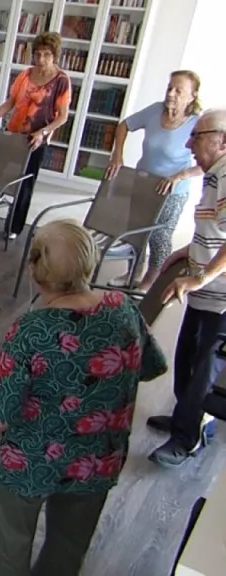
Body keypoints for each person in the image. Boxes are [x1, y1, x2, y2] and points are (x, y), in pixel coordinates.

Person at [0, 219, 166, 576]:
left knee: (10, 544)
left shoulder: (31, 330)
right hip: (98, 459)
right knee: (67, 550)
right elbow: (152, 367)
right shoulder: (123, 308)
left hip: (30, 461)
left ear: (36, 269)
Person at [147, 109, 226, 466]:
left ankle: (187, 439)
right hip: (203, 292)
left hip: (220, 298)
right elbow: (214, 232)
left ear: (222, 141)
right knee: (187, 358)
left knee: (203, 370)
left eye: (197, 136)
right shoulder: (213, 177)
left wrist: (200, 277)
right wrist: (186, 252)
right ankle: (183, 420)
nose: (189, 143)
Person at [105, 70, 204, 291]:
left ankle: (151, 280)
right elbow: (124, 125)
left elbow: (208, 162)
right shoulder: (155, 111)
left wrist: (181, 176)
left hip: (173, 190)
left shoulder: (198, 123)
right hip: (143, 183)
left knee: (159, 236)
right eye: (170, 88)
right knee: (137, 232)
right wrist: (117, 155)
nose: (171, 94)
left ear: (193, 95)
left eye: (179, 90)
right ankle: (133, 273)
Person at [0, 32, 71, 239]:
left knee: (25, 184)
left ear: (55, 55)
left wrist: (43, 132)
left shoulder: (62, 81)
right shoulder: (25, 75)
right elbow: (10, 103)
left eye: (46, 55)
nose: (41, 59)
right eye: (38, 54)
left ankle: (14, 227)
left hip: (36, 140)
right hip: (13, 133)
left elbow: (62, 117)